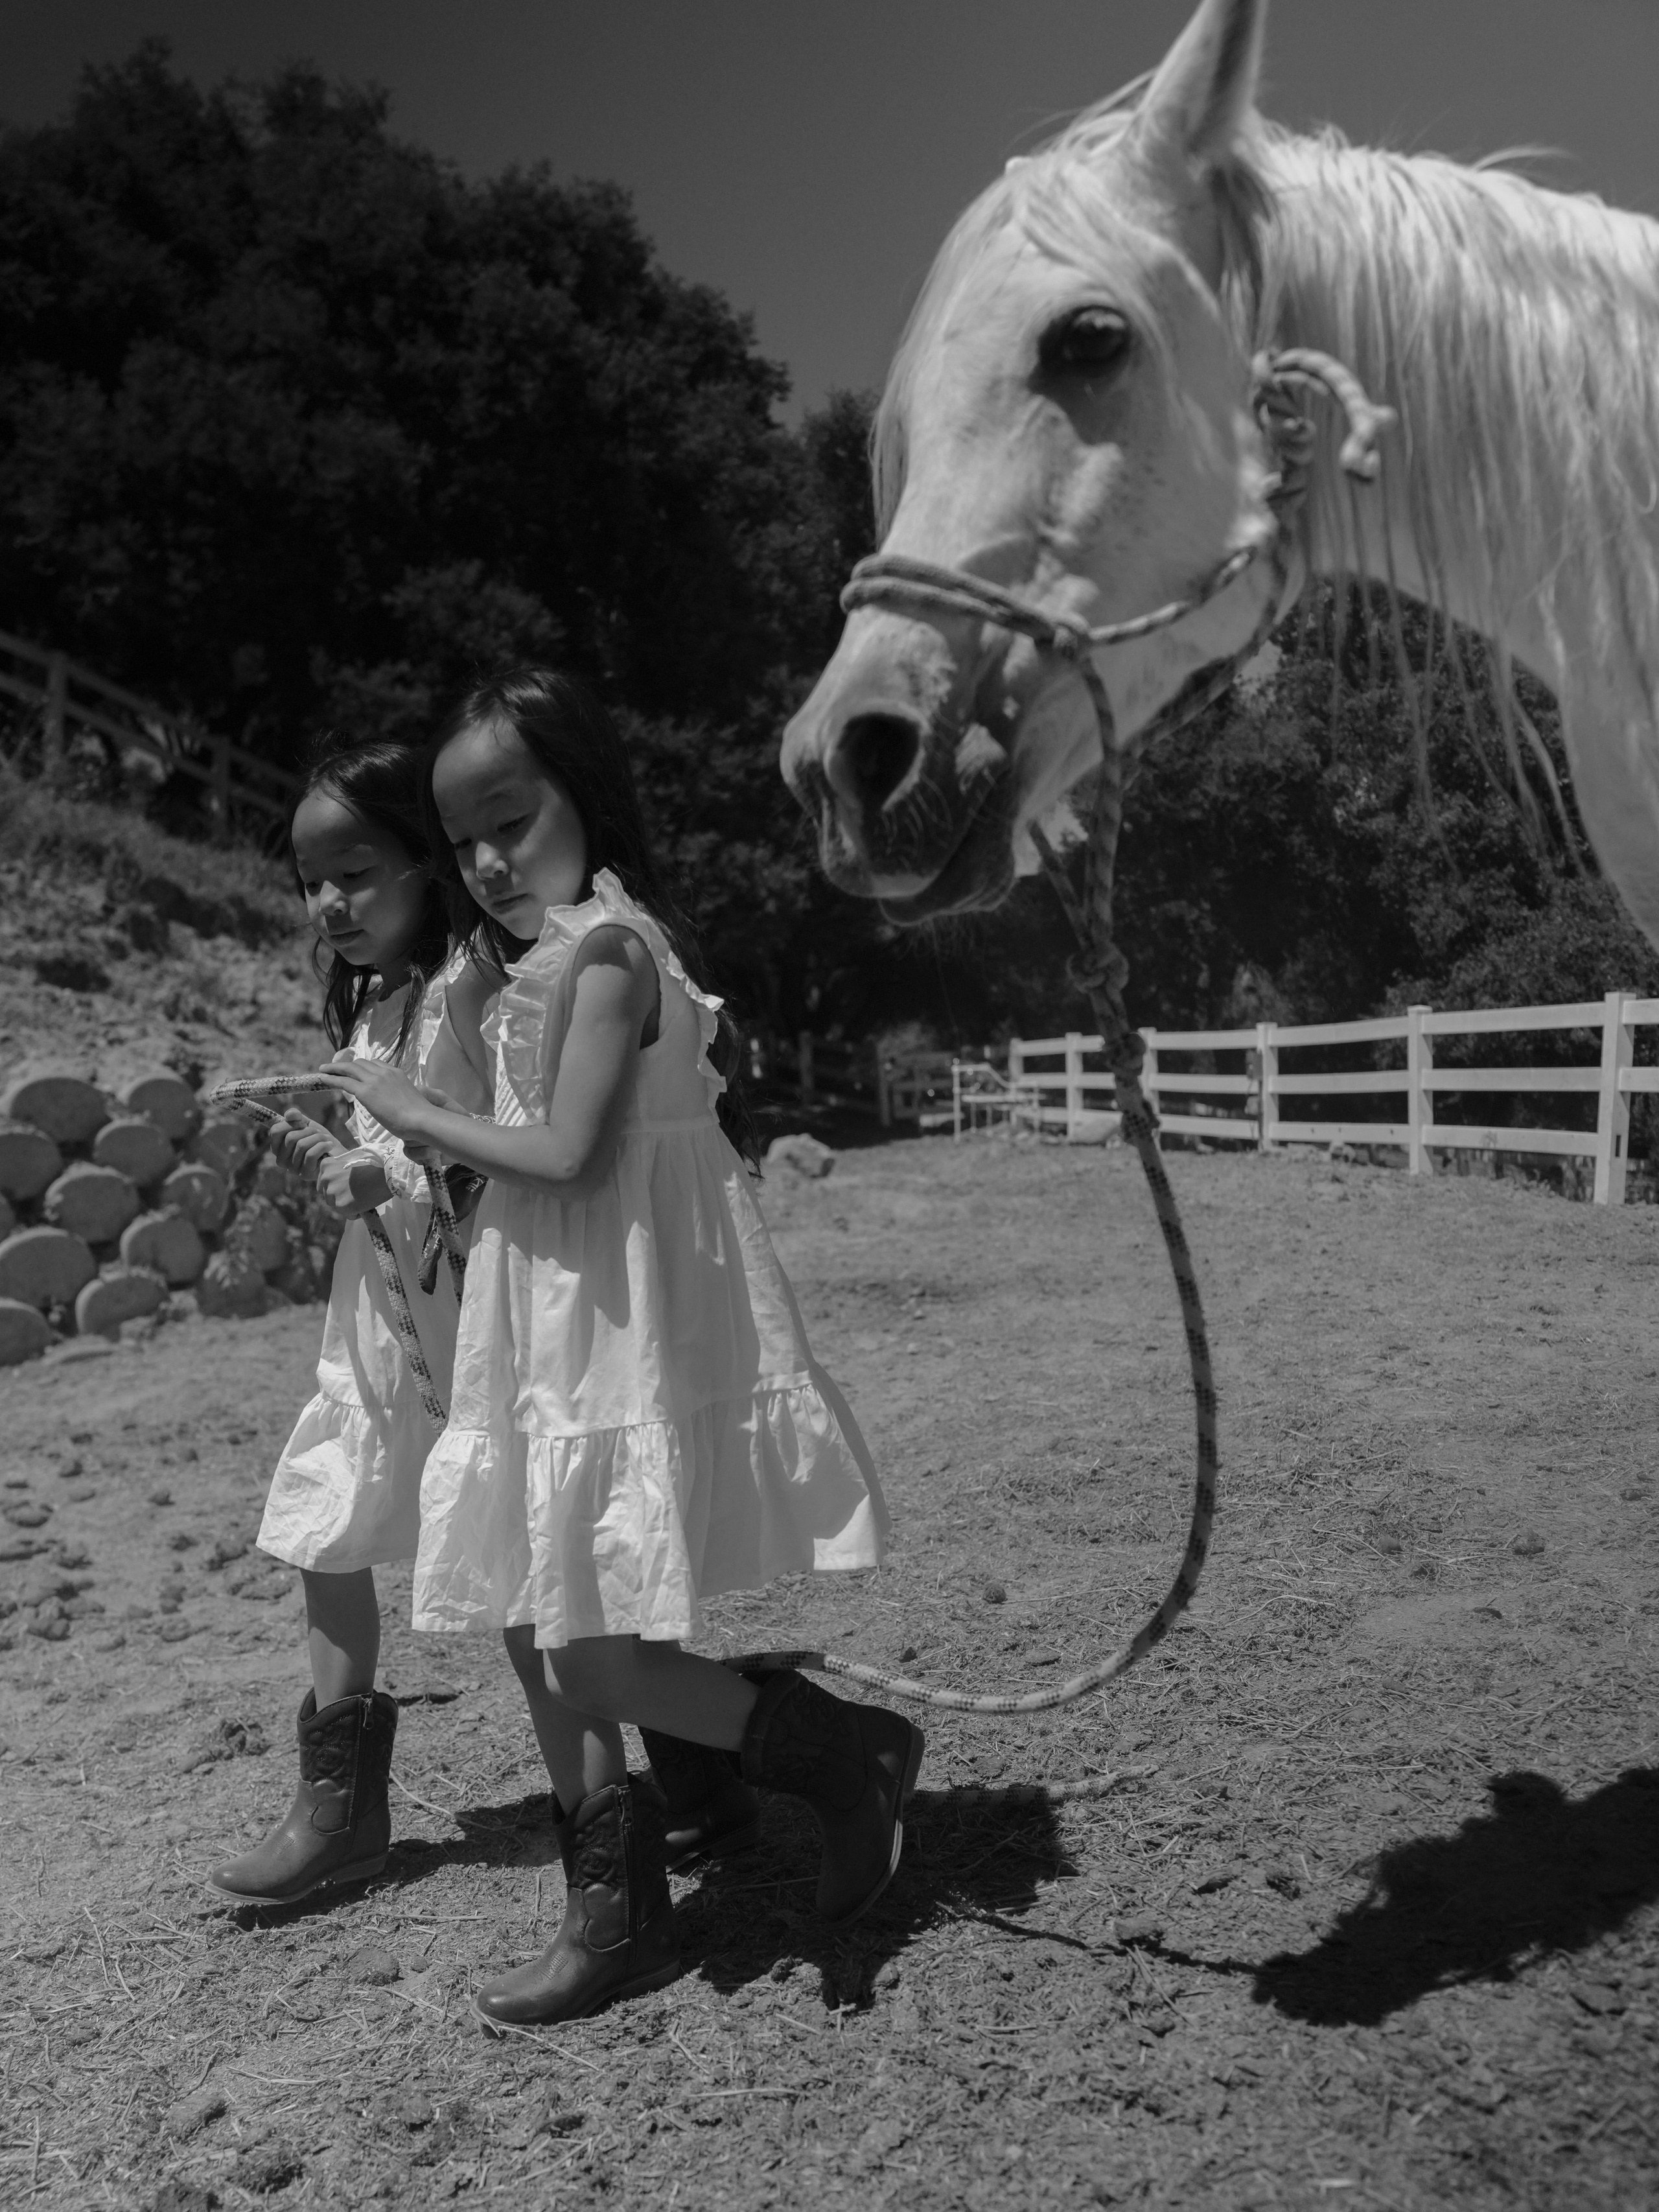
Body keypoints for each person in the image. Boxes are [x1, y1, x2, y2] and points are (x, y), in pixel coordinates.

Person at [325, 668, 922, 2028]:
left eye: (510, 821)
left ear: (582, 799)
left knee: (582, 1648)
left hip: (604, 1319)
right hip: (569, 1311)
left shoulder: (605, 953)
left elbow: (567, 1154)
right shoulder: (561, 951)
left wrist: (409, 1106)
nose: (484, 861)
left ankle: (839, 1756)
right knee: (566, 1624)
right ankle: (764, 1785)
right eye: (461, 838)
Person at [209, 734, 496, 1907]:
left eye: (357, 870)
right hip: (376, 1327)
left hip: (474, 1331)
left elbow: (500, 1169)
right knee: (324, 1533)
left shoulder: (474, 991)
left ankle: (692, 1772)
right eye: (311, 880)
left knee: (546, 1576)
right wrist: (332, 1154)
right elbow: (383, 1156)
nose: (329, 900)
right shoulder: (375, 1003)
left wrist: (394, 1180)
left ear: (427, 863)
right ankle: (338, 1812)